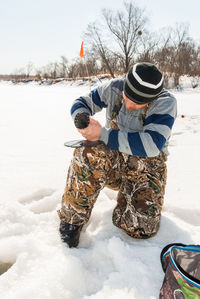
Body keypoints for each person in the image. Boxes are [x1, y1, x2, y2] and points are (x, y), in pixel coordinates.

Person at [58, 62, 177, 248]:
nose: (129, 105)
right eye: (127, 97)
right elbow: (81, 102)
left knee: (139, 228)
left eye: (138, 103)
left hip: (145, 170)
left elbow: (153, 145)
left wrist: (103, 134)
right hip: (113, 164)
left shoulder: (165, 102)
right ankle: (71, 222)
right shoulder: (114, 87)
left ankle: (129, 197)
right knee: (88, 153)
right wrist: (81, 118)